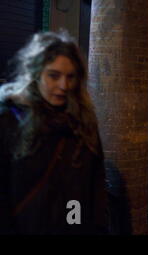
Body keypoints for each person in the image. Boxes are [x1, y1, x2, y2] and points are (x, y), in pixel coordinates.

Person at [0, 31, 108, 234]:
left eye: (71, 77)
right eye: (53, 75)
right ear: (35, 73)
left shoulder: (83, 123)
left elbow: (93, 184)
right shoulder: (10, 120)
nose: (63, 85)